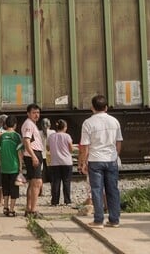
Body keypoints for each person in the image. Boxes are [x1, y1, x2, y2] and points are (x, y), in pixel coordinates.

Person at [78, 95, 122, 229]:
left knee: (97, 190)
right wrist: (115, 155)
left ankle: (98, 220)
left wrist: (83, 163)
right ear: (106, 107)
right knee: (113, 189)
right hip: (111, 159)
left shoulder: (88, 123)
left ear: (92, 108)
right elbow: (118, 142)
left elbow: (85, 146)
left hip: (95, 160)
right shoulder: (114, 121)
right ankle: (114, 219)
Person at [0, 115, 23, 217]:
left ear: (5, 124)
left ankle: (5, 207)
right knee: (14, 189)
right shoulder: (16, 136)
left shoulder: (2, 136)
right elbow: (19, 153)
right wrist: (20, 167)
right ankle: (12, 209)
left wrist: (1, 163)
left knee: (5, 188)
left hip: (4, 167)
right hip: (14, 167)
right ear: (15, 125)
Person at [21, 103, 44, 217]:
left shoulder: (31, 124)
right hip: (33, 154)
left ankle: (29, 208)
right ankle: (33, 210)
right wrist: (34, 156)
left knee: (32, 183)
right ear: (28, 113)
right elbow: (26, 141)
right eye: (34, 113)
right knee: (37, 182)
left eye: (38, 112)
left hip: (33, 154)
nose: (36, 115)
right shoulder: (29, 124)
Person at [47, 119, 73, 206]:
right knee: (66, 182)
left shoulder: (51, 136)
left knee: (56, 182)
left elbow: (47, 148)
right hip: (66, 162)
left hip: (55, 162)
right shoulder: (67, 136)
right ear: (65, 127)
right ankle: (67, 200)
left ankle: (55, 201)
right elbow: (71, 148)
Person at [40, 118, 55, 185]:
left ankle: (40, 191)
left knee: (41, 175)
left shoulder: (38, 133)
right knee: (52, 174)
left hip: (41, 155)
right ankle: (52, 191)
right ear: (50, 125)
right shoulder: (53, 132)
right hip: (50, 155)